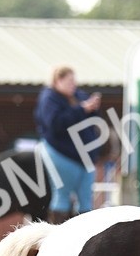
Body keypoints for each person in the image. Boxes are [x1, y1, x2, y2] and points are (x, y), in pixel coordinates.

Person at [35, 66, 102, 223]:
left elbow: (92, 119)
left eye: (74, 80)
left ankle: (87, 236)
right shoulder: (49, 98)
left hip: (84, 155)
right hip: (61, 153)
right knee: (62, 194)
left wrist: (92, 109)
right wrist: (82, 109)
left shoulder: (78, 96)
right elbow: (55, 124)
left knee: (85, 199)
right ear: (58, 81)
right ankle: (58, 230)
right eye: (69, 81)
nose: (73, 84)